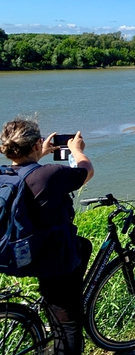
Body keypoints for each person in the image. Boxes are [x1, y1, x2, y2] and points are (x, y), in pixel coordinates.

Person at [0, 119, 94, 355]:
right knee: (69, 325)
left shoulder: (5, 175)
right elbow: (86, 171)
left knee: (84, 246)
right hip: (52, 259)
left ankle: (56, 302)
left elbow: (28, 177)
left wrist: (36, 156)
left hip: (16, 251)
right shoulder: (51, 174)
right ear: (34, 145)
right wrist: (76, 150)